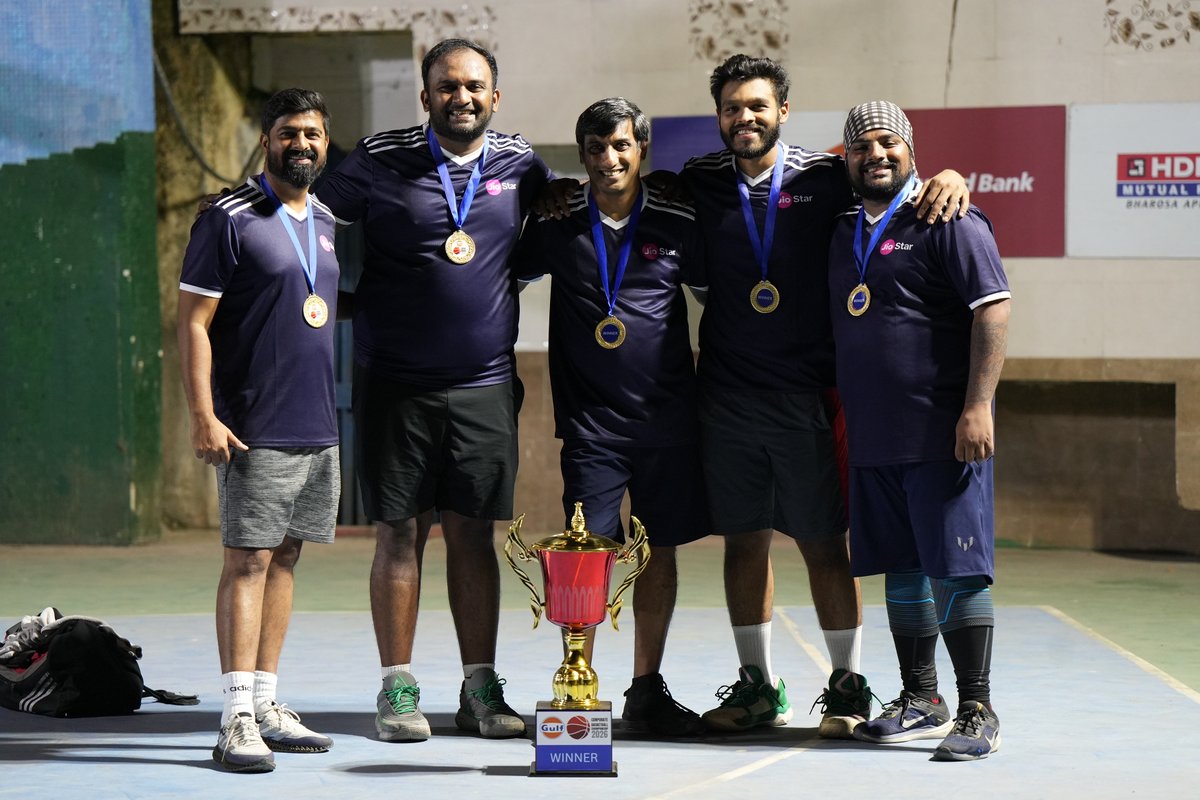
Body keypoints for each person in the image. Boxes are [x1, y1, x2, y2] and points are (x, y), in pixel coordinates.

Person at [679, 55, 971, 737]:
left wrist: (949, 176)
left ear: (782, 110)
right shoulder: (697, 182)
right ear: (718, 116)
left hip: (809, 397)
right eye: (731, 107)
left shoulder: (823, 178)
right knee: (743, 543)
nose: (743, 117)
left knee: (821, 545)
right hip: (725, 395)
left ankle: (847, 687)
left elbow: (894, 181)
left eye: (757, 105)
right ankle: (757, 686)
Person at [313, 38, 552, 742]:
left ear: (495, 96)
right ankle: (397, 690)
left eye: (475, 86)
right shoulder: (381, 159)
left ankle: (480, 687)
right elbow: (307, 223)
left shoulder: (520, 163)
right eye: (447, 86)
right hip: (395, 387)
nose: (462, 97)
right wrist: (345, 302)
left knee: (474, 537)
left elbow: (546, 241)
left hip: (484, 385)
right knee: (399, 535)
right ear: (426, 97)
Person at [513, 98, 709, 738]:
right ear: (583, 155)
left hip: (667, 423)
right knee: (584, 559)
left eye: (621, 146)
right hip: (591, 430)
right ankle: (578, 694)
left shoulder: (678, 218)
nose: (608, 160)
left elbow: (719, 296)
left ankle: (646, 689)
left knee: (656, 555)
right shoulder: (559, 219)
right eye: (596, 149)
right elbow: (500, 275)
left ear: (641, 151)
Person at [828, 101, 1010, 760]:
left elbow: (992, 309)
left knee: (958, 570)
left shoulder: (950, 217)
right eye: (862, 146)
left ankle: (977, 707)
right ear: (846, 156)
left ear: (912, 150)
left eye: (889, 143)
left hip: (943, 431)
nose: (876, 154)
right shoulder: (843, 223)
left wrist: (978, 405)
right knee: (901, 569)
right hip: (875, 436)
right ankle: (921, 697)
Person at [178, 88, 339, 773]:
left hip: (317, 424)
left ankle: (268, 702)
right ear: (266, 141)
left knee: (287, 559)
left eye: (312, 133)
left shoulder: (326, 218)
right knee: (246, 561)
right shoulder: (227, 218)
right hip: (253, 424)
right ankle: (235, 715)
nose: (300, 144)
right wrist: (204, 414)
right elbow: (192, 324)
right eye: (287, 134)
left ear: (327, 142)